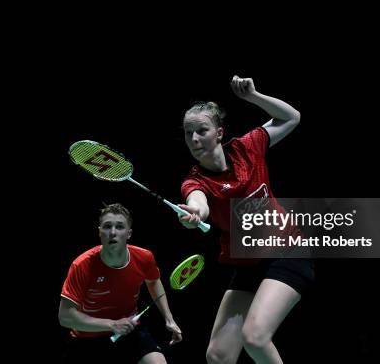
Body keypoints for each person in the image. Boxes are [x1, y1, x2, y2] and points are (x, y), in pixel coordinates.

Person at [178, 75, 314, 363]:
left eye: (201, 130)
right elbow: (197, 201)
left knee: (255, 337)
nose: (194, 139)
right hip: (248, 263)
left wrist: (253, 97)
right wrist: (195, 212)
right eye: (188, 133)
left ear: (219, 133)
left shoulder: (247, 147)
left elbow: (292, 117)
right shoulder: (196, 181)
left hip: (287, 251)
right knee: (218, 354)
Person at [59, 203, 182, 363]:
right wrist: (111, 324)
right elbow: (65, 316)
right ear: (99, 232)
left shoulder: (144, 258)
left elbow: (153, 281)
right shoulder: (82, 265)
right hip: (87, 337)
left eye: (120, 227)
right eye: (107, 226)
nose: (113, 232)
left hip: (129, 332)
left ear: (129, 233)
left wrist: (169, 318)